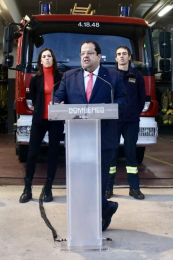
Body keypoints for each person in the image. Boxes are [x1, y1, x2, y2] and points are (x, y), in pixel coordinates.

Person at [54, 41, 128, 231]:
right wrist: (59, 104)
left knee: (99, 180)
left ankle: (95, 217)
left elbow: (123, 100)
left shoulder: (112, 76)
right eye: (82, 54)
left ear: (99, 56)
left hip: (104, 137)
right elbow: (58, 98)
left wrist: (109, 109)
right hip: (78, 138)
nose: (85, 57)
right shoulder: (69, 76)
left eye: (89, 53)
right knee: (81, 181)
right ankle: (105, 208)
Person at [19, 48, 64, 203]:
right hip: (39, 120)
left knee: (53, 154)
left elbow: (65, 94)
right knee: (32, 154)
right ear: (40, 60)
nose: (46, 59)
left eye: (49, 56)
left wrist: (62, 102)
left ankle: (48, 188)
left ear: (53, 59)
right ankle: (27, 188)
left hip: (56, 120)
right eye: (44, 56)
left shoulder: (60, 77)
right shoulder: (36, 78)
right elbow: (32, 94)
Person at [105, 46, 146, 200]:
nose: (121, 57)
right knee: (111, 155)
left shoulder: (137, 76)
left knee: (130, 155)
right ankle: (107, 189)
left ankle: (134, 189)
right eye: (118, 54)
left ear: (130, 57)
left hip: (131, 121)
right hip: (113, 121)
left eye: (124, 54)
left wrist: (134, 112)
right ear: (115, 58)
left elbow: (142, 98)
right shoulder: (109, 75)